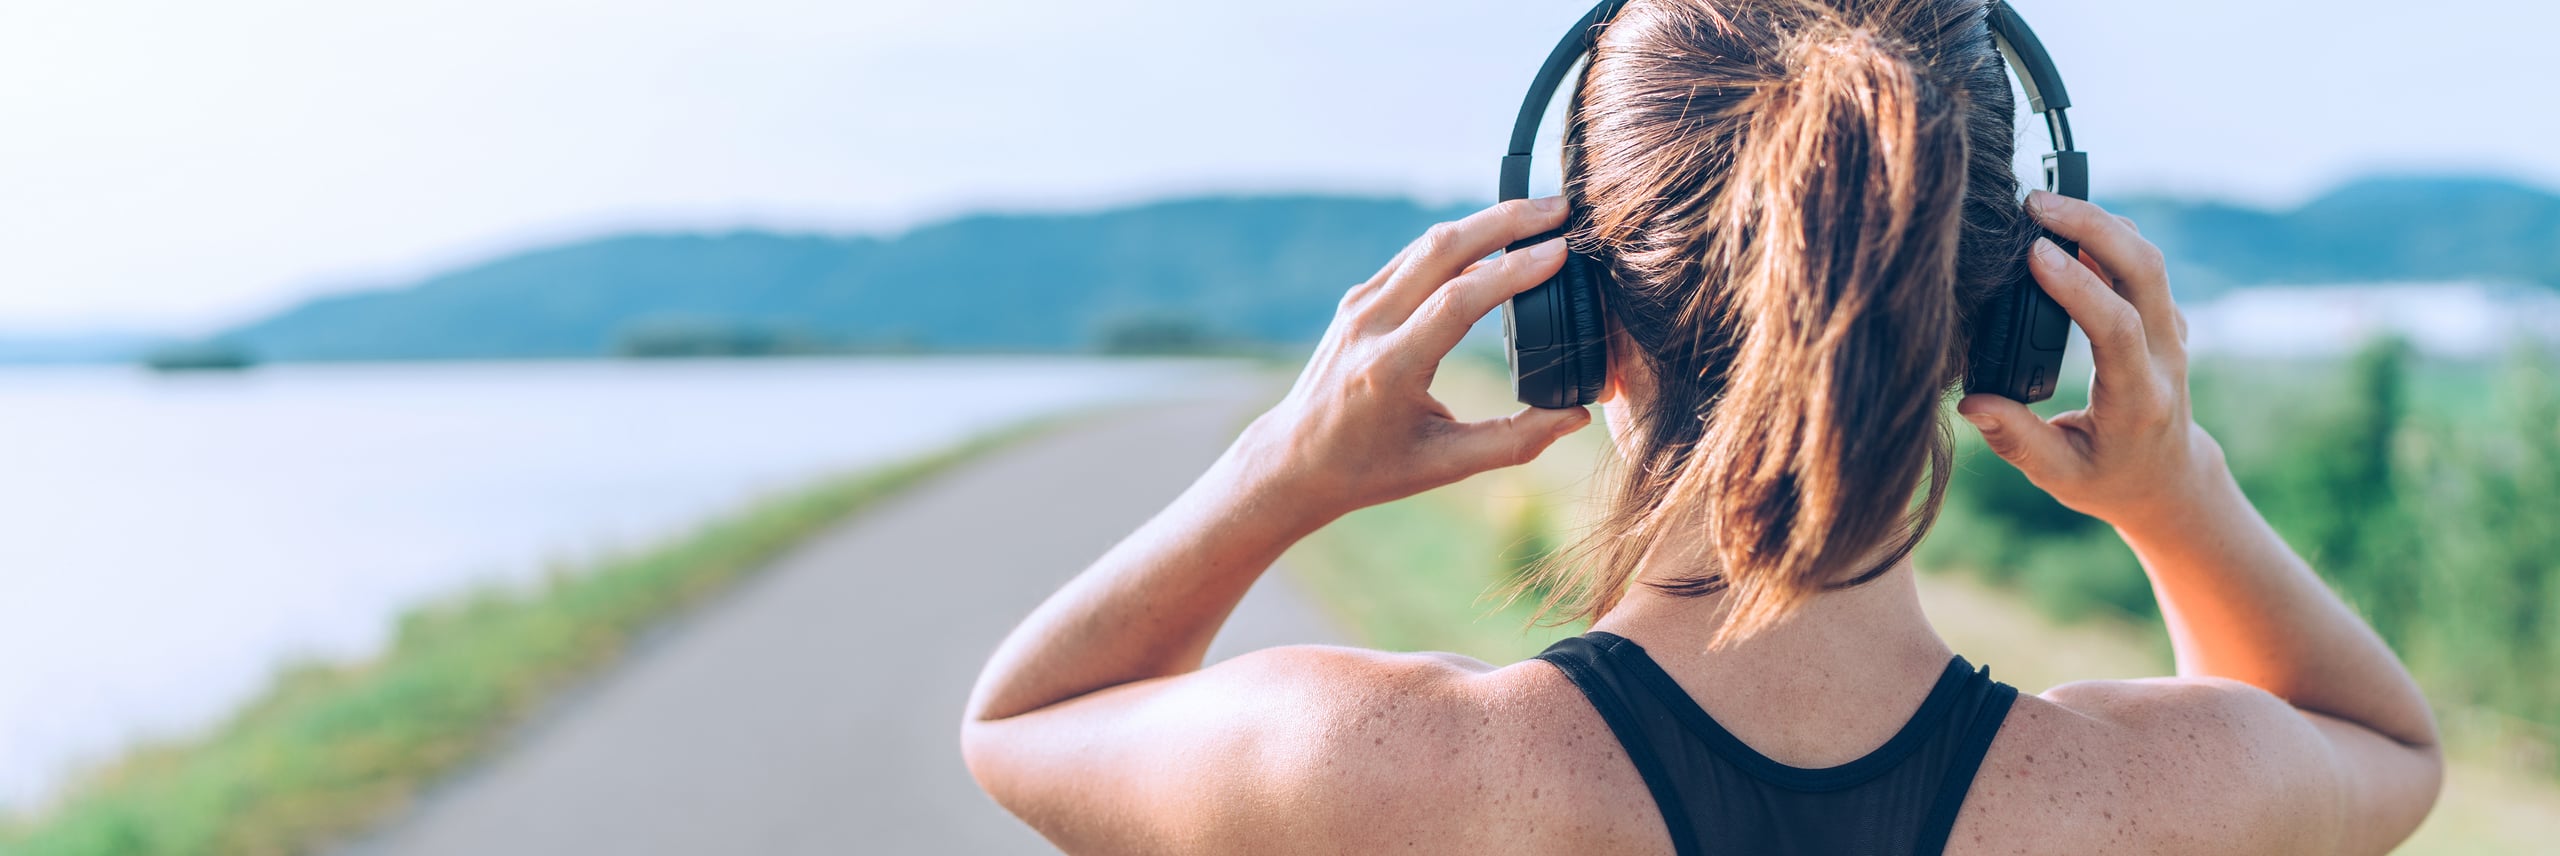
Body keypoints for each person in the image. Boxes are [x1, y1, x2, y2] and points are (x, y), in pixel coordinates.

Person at [961, 0, 2443, 852]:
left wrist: (1277, 472)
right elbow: (2385, 748)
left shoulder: (1384, 766)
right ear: (1997, 325)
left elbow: (1022, 724)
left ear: (1571, 324)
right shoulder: (2141, 803)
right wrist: (2178, 497)